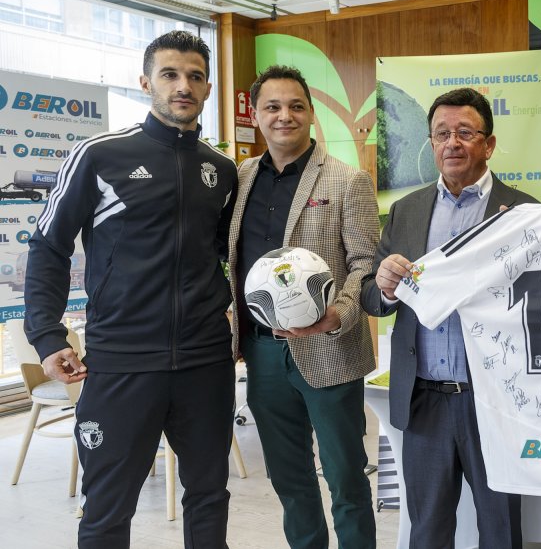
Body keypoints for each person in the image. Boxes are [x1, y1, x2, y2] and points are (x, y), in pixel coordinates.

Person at [22, 31, 237, 548]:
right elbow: (48, 246)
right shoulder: (100, 157)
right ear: (146, 82)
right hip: (121, 362)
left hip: (205, 364)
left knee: (208, 496)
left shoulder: (222, 171)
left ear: (208, 88)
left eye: (194, 76)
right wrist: (48, 337)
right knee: (106, 511)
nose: (182, 86)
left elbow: (228, 258)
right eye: (169, 74)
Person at [361, 87, 535, 548]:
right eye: (441, 134)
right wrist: (383, 284)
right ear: (431, 144)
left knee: (500, 531)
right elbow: (371, 299)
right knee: (428, 530)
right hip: (424, 401)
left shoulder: (523, 211)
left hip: (494, 400)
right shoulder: (406, 210)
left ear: (489, 144)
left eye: (465, 132)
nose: (452, 143)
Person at [228, 65, 379, 548]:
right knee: (290, 480)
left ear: (311, 114)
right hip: (263, 352)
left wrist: (340, 313)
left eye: (296, 106)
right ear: (256, 114)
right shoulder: (240, 178)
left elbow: (365, 263)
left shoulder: (347, 180)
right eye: (272, 107)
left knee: (347, 481)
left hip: (332, 350)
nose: (284, 116)